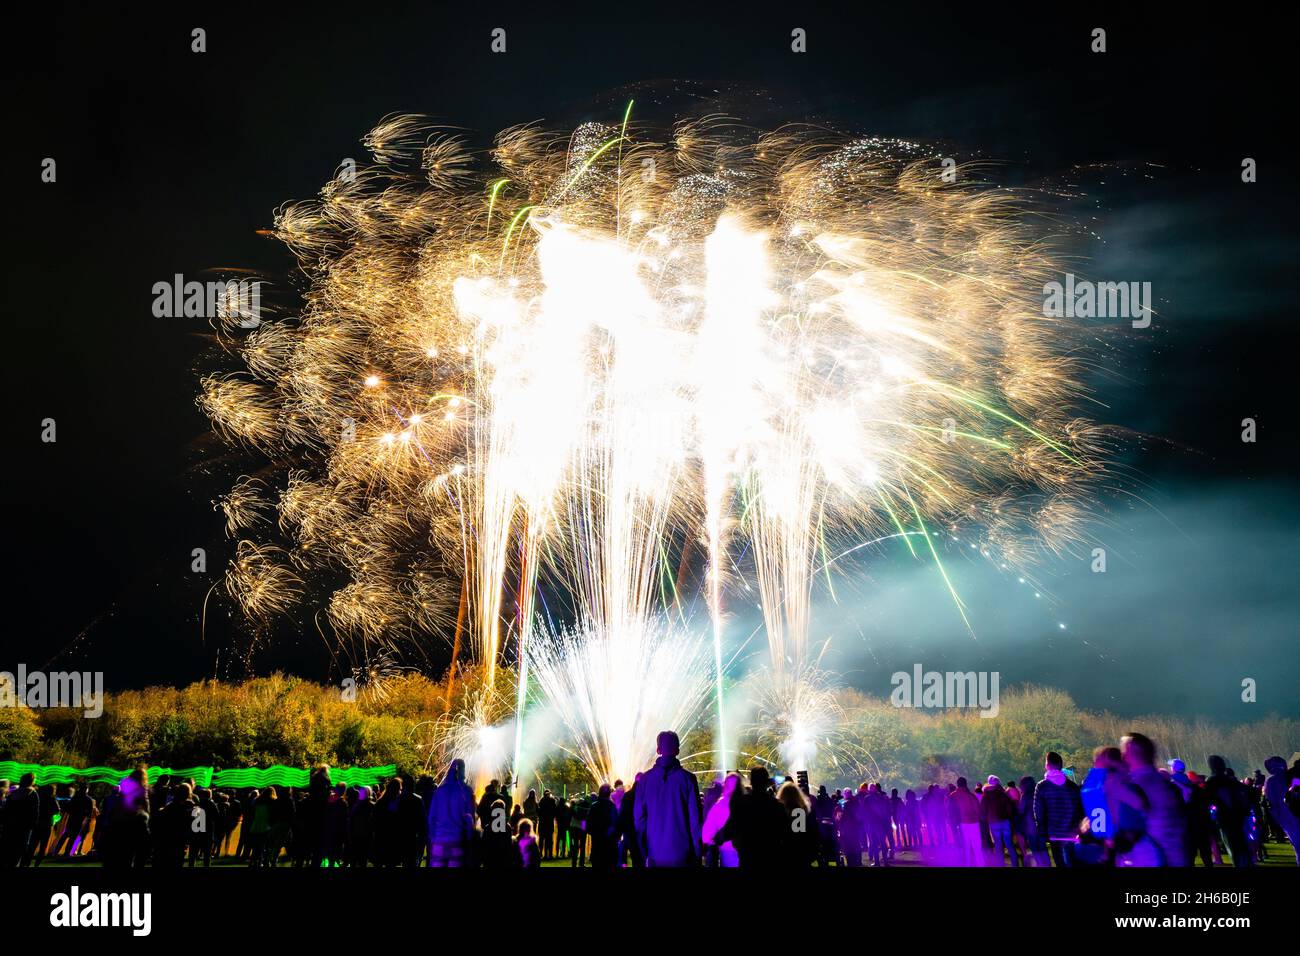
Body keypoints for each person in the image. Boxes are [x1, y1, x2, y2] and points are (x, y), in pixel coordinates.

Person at [633, 730, 702, 867]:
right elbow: (695, 820)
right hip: (682, 855)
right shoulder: (688, 779)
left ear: (658, 750)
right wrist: (697, 851)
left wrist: (644, 851)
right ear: (677, 750)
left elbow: (639, 820)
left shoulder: (645, 780)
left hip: (654, 854)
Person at [1121, 733, 1188, 866]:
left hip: (1156, 858)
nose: (1121, 756)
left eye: (1124, 751)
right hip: (1172, 855)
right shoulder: (1164, 783)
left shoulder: (1141, 784)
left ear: (1132, 753)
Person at [1034, 752, 1083, 866]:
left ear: (1047, 765)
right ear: (1061, 765)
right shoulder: (1072, 786)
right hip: (1072, 833)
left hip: (1054, 833)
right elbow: (1079, 810)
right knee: (1072, 863)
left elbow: (1038, 812)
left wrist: (1042, 832)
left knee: (1060, 863)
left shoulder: (1042, 786)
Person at [1204, 755, 1252, 867]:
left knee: (1232, 846)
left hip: (1225, 817)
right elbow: (1243, 793)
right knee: (1241, 845)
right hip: (1237, 816)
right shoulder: (1230, 781)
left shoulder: (1211, 781)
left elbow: (1209, 800)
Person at [427, 759, 476, 868]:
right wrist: (469, 841)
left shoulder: (439, 791)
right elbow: (469, 819)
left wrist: (431, 838)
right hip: (456, 841)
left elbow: (431, 818)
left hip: (439, 840)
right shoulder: (466, 791)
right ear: (463, 771)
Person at [1263, 756, 1300, 864]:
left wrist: (1277, 820)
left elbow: (1271, 804)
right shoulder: (1293, 777)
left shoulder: (1270, 782)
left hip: (1286, 818)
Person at [702, 773, 742, 867]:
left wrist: (708, 840)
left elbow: (708, 829)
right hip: (745, 849)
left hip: (726, 849)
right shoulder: (746, 802)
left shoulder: (720, 804)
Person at [981, 776, 1017, 866]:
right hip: (1005, 821)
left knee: (998, 845)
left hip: (993, 823)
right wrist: (1010, 818)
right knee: (1009, 844)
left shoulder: (985, 795)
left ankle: (1000, 865)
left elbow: (983, 810)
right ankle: (1015, 865)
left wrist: (986, 819)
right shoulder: (1002, 793)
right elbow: (1009, 808)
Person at [946, 777, 982, 866]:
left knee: (966, 847)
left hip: (962, 824)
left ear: (957, 784)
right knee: (977, 847)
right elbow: (978, 810)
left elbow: (950, 811)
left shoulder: (953, 795)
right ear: (965, 784)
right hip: (974, 823)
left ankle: (968, 864)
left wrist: (953, 824)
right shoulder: (971, 795)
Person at [586, 784, 620, 869]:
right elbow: (617, 827)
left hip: (597, 849)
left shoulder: (594, 807)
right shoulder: (613, 807)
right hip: (610, 850)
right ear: (609, 794)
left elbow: (588, 827)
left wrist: (596, 833)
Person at [537, 789, 557, 861]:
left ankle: (540, 853)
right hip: (549, 823)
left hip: (542, 823)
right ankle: (549, 854)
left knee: (542, 839)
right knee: (549, 839)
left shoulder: (541, 802)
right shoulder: (552, 801)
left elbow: (538, 812)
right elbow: (555, 812)